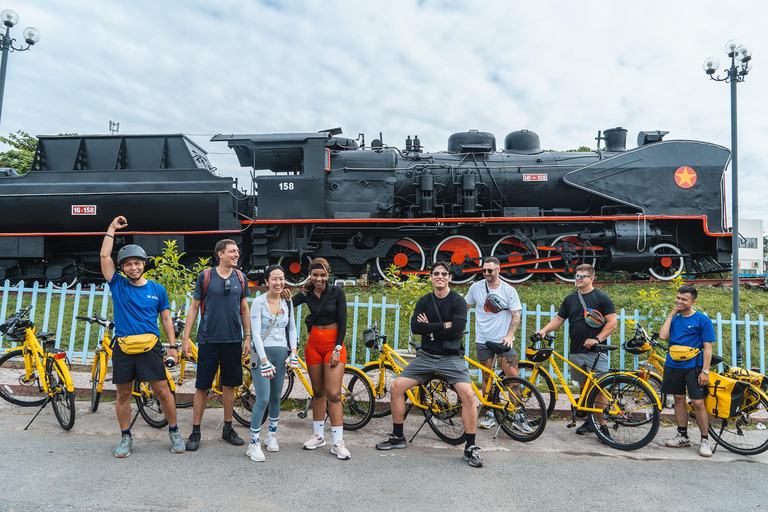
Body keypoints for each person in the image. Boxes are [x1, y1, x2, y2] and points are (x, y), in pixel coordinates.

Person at [376, 261, 484, 468]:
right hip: (425, 357)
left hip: (451, 358)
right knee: (396, 387)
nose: (440, 277)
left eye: (444, 273)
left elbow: (457, 330)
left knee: (469, 396)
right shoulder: (424, 301)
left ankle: (470, 447)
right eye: (436, 273)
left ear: (450, 277)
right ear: (431, 277)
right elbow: (416, 327)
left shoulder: (458, 301)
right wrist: (443, 325)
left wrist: (431, 329)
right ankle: (398, 436)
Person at [100, 216, 185, 458]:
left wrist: (172, 347)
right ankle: (126, 436)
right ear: (122, 268)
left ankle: (174, 431)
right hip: (124, 348)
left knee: (163, 392)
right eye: (128, 264)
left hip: (151, 349)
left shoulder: (157, 290)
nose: (133, 267)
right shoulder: (118, 284)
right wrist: (111, 229)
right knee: (123, 394)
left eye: (137, 263)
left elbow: (166, 319)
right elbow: (105, 258)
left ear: (144, 264)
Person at [181, 239, 251, 451]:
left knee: (230, 385)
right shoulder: (206, 276)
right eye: (232, 251)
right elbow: (194, 307)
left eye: (237, 251)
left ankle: (228, 429)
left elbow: (244, 308)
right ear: (220, 254)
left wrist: (247, 337)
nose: (236, 254)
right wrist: (185, 338)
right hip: (208, 340)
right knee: (202, 386)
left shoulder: (241, 277)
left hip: (232, 340)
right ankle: (195, 431)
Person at [535, 263, 617, 439]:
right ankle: (589, 421)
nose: (578, 279)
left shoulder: (602, 298)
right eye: (576, 276)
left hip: (597, 351)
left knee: (599, 389)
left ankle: (602, 426)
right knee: (583, 388)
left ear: (591, 279)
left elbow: (612, 323)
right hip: (576, 350)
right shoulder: (571, 299)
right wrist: (544, 330)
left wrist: (596, 339)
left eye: (582, 276)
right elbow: (559, 318)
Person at [287, 258, 351, 460]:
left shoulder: (337, 293)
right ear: (310, 275)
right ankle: (318, 436)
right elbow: (286, 304)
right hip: (313, 346)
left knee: (333, 393)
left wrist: (337, 349)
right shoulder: (305, 293)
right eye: (315, 275)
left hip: (333, 346)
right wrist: (282, 293)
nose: (319, 278)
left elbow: (343, 322)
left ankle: (338, 442)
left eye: (322, 275)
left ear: (328, 274)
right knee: (318, 392)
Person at [246, 264, 298, 462]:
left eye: (281, 279)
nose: (278, 282)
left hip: (281, 353)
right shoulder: (258, 302)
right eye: (274, 279)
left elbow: (292, 328)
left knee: (276, 397)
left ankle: (272, 435)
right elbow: (256, 334)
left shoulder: (288, 301)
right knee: (263, 398)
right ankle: (253, 444)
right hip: (263, 355)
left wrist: (293, 352)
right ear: (266, 281)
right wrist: (265, 361)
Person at [464, 256, 522, 429]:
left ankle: (519, 414)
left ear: (498, 270)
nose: (487, 273)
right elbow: (465, 307)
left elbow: (516, 315)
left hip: (503, 340)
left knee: (513, 376)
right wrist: (458, 325)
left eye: (490, 270)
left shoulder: (509, 290)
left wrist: (510, 336)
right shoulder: (476, 288)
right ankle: (489, 412)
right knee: (486, 376)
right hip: (483, 340)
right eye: (484, 270)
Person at [659, 285, 715, 457]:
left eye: (684, 299)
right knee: (678, 399)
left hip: (693, 367)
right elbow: (663, 336)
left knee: (698, 402)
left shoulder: (702, 320)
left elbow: (708, 348)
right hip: (673, 365)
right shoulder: (674, 319)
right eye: (678, 298)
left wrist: (705, 371)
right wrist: (670, 315)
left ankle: (705, 439)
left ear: (693, 301)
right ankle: (682, 435)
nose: (679, 301)